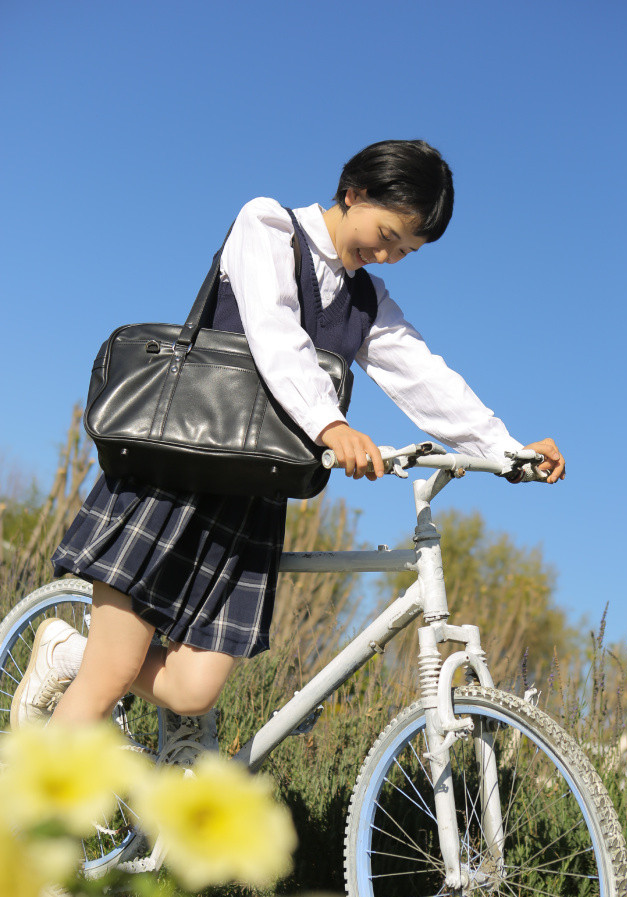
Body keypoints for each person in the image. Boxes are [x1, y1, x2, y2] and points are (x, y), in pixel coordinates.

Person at [11, 140, 565, 756]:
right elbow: (275, 336)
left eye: (404, 251)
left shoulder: (367, 300)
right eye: (386, 235)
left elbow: (425, 378)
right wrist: (332, 427)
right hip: (179, 474)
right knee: (110, 676)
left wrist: (506, 449)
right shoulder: (269, 225)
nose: (386, 255)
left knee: (194, 689)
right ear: (353, 193)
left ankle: (66, 650)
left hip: (251, 500)